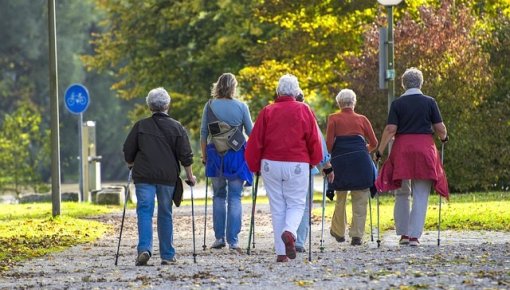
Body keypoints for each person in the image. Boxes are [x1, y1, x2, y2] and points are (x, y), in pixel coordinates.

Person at [245, 74, 330, 262]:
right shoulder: (304, 110)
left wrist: (253, 165)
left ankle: (281, 253)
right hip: (297, 163)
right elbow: (313, 139)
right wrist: (316, 160)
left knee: (277, 207)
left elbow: (255, 141)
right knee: (297, 203)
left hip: (270, 164)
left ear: (278, 91)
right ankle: (290, 232)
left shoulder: (267, 111)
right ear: (296, 92)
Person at [375, 67, 449, 247]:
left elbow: (391, 129)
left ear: (403, 84)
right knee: (421, 193)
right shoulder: (429, 102)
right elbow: (440, 128)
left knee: (402, 191)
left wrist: (380, 150)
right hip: (424, 149)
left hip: (402, 149)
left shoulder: (397, 103)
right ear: (421, 83)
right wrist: (444, 138)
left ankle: (404, 234)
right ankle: (415, 236)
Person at [123, 87, 196, 266]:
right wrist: (190, 176)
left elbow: (128, 149)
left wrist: (131, 163)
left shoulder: (140, 126)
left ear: (150, 106)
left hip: (144, 176)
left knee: (144, 212)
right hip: (167, 177)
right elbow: (185, 154)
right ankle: (168, 255)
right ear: (167, 105)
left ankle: (145, 249)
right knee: (165, 213)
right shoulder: (177, 127)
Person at [200, 73, 253, 252]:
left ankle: (219, 237)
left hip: (215, 154)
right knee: (235, 197)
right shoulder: (242, 106)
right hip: (237, 155)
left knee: (218, 195)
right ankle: (234, 240)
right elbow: (251, 133)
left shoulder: (209, 106)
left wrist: (204, 156)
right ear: (233, 87)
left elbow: (203, 134)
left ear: (217, 86)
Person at [326, 89, 378, 246]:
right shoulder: (362, 119)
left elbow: (328, 146)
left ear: (339, 103)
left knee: (340, 197)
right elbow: (374, 143)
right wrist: (362, 151)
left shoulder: (333, 118)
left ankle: (338, 231)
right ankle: (357, 235)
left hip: (340, 162)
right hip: (361, 162)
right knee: (361, 197)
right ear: (354, 102)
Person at [294, 90, 332, 253]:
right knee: (303, 204)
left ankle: (286, 237)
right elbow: (319, 141)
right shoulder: (307, 114)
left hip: (279, 165)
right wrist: (327, 166)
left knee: (286, 203)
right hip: (305, 166)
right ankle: (299, 241)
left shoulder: (275, 112)